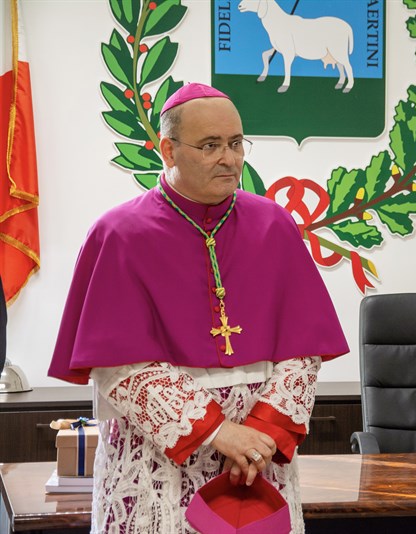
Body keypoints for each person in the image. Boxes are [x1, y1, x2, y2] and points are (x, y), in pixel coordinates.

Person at [48, 83, 349, 533]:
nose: (230, 159)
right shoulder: (119, 234)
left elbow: (304, 351)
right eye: (210, 146)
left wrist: (262, 434)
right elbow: (118, 367)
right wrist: (219, 433)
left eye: (235, 143)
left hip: (257, 459)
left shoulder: (275, 225)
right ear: (168, 150)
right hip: (158, 463)